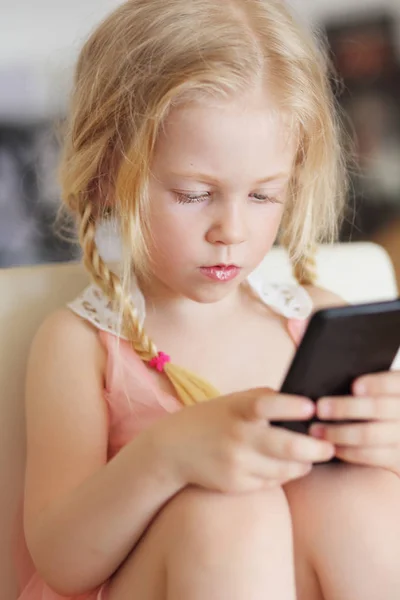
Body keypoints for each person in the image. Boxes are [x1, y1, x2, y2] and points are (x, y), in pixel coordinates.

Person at [15, 1, 400, 599]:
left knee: (363, 497)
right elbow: (63, 561)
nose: (233, 229)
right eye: (195, 195)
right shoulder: (82, 344)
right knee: (229, 514)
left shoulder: (315, 319)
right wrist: (165, 457)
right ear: (108, 175)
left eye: (263, 196)